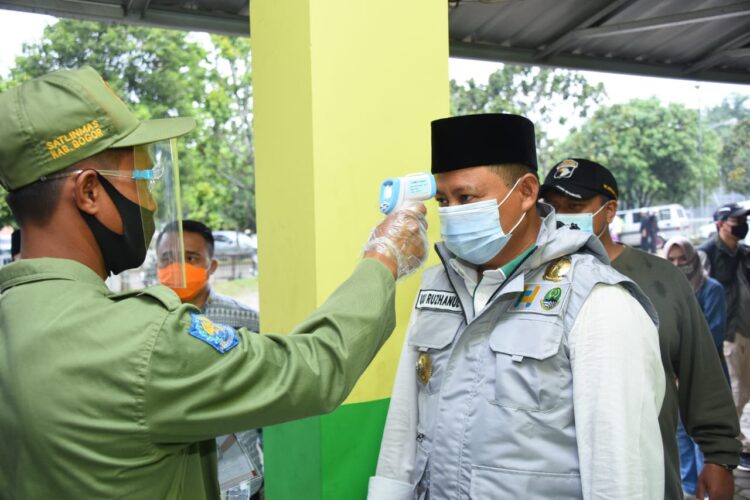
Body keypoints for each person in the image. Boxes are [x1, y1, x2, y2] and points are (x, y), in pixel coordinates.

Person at [0, 66, 429, 499]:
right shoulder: (142, 342)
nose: (150, 203)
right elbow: (315, 368)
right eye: (142, 181)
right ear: (89, 192)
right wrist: (384, 257)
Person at [368, 115, 665, 499]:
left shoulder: (597, 300)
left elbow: (621, 472)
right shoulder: (438, 286)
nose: (451, 212)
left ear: (526, 192)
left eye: (466, 198)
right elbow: (404, 426)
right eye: (443, 200)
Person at [541, 158, 739, 500]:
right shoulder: (534, 280)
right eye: (552, 207)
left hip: (645, 468)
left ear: (609, 211)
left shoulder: (661, 278)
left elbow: (701, 368)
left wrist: (719, 456)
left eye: (574, 206)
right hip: (551, 476)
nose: (560, 217)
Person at [157, 220, 263, 499]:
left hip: (239, 481)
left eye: (190, 258)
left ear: (211, 265)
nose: (177, 268)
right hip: (171, 478)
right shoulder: (146, 322)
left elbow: (264, 396)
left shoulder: (246, 321)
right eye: (167, 258)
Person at [664, 236, 729, 497]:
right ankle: (689, 488)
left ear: (693, 258)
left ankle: (709, 487)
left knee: (704, 434)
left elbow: (713, 336)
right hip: (676, 377)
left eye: (683, 259)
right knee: (681, 433)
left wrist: (683, 364)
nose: (678, 264)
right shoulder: (667, 290)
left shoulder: (711, 289)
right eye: (671, 260)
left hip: (705, 374)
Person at [699, 202, 750, 470]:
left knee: (746, 390)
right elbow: (699, 294)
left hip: (747, 329)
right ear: (720, 224)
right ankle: (731, 445)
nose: (742, 226)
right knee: (736, 391)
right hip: (726, 333)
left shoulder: (744, 253)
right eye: (735, 221)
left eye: (743, 221)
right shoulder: (706, 253)